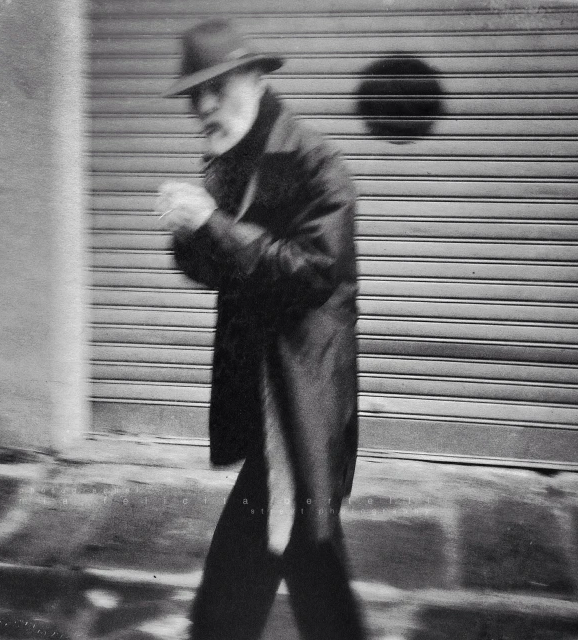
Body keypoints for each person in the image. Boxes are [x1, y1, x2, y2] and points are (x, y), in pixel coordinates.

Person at [156, 19, 366, 640]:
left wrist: (212, 223)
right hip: (264, 396)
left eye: (214, 89)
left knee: (240, 578)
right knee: (308, 551)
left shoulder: (317, 164)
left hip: (300, 397)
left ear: (253, 76)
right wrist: (188, 236)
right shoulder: (231, 160)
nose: (202, 108)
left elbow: (311, 275)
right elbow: (221, 271)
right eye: (194, 96)